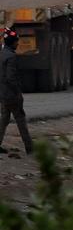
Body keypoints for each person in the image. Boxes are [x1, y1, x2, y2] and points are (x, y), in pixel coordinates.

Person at [0, 28, 33, 156]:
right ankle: (29, 147)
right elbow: (11, 77)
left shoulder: (1, 54)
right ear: (12, 43)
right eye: (16, 42)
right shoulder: (11, 57)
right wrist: (18, 92)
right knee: (21, 120)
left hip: (3, 94)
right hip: (12, 95)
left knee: (4, 120)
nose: (18, 44)